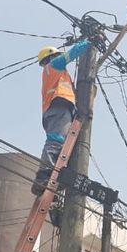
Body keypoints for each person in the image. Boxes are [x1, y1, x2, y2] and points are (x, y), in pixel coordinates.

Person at [31, 40, 90, 195]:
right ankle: (43, 175)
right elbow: (70, 54)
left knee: (64, 145)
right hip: (58, 107)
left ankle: (58, 175)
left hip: (60, 108)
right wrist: (88, 42)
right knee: (56, 142)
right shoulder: (53, 66)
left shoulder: (56, 73)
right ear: (51, 57)